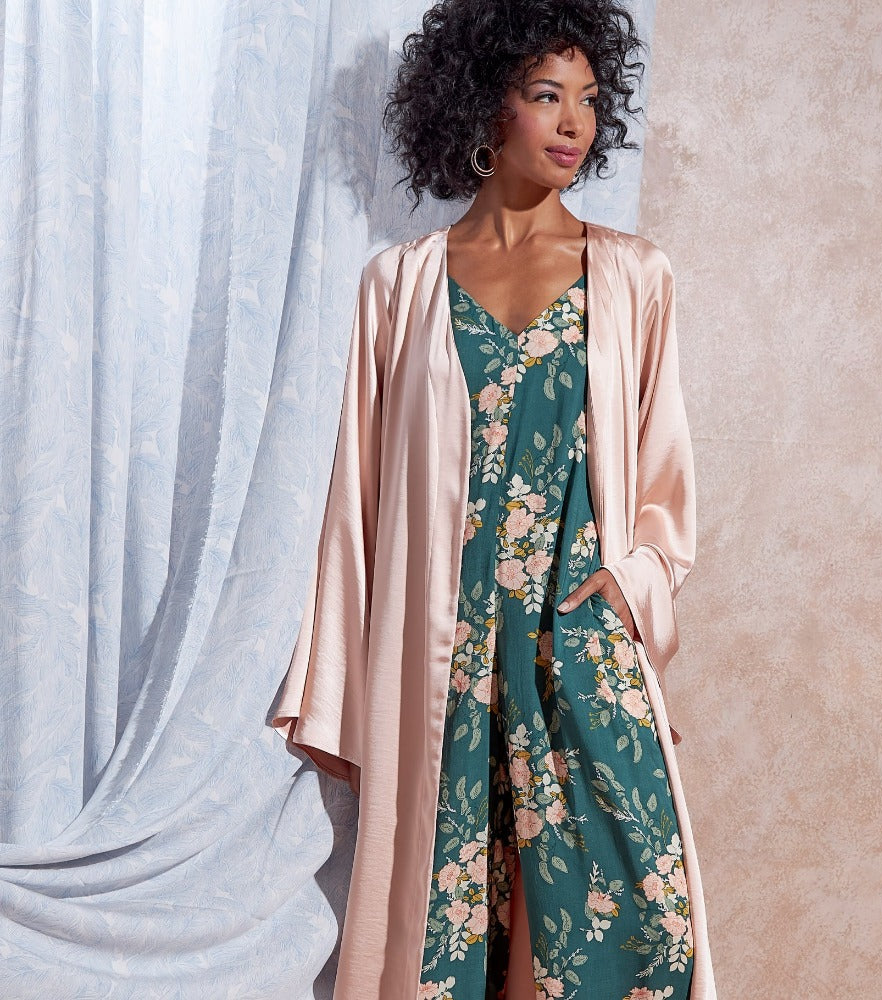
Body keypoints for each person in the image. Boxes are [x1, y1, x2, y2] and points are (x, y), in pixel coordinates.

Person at [271, 2, 716, 998]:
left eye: (589, 99)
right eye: (546, 95)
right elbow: (358, 505)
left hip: (577, 647)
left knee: (632, 927)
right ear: (483, 104)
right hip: (449, 663)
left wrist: (632, 588)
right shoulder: (399, 286)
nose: (574, 123)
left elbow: (664, 481)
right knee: (455, 940)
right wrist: (348, 681)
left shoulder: (634, 276)